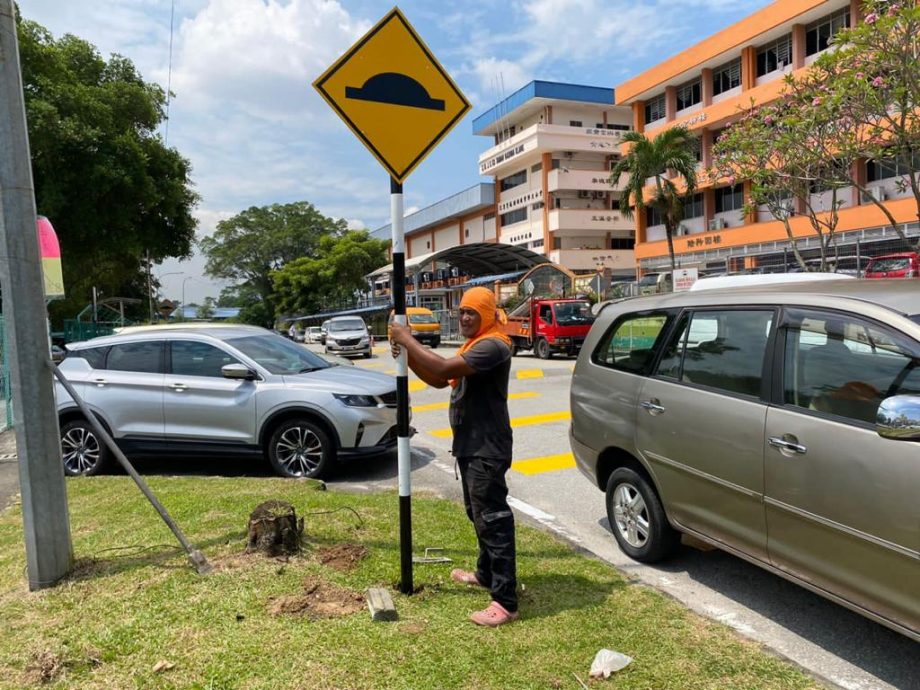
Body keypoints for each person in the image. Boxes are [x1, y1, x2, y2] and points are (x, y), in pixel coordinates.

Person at [389, 287, 518, 627]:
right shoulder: (474, 344)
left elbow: (444, 364)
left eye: (471, 312)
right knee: (478, 515)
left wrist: (406, 338)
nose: (463, 317)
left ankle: (505, 601)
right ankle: (486, 574)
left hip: (486, 447)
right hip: (471, 445)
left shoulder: (493, 345)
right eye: (461, 311)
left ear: (487, 314)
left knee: (493, 520)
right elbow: (437, 377)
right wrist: (408, 351)